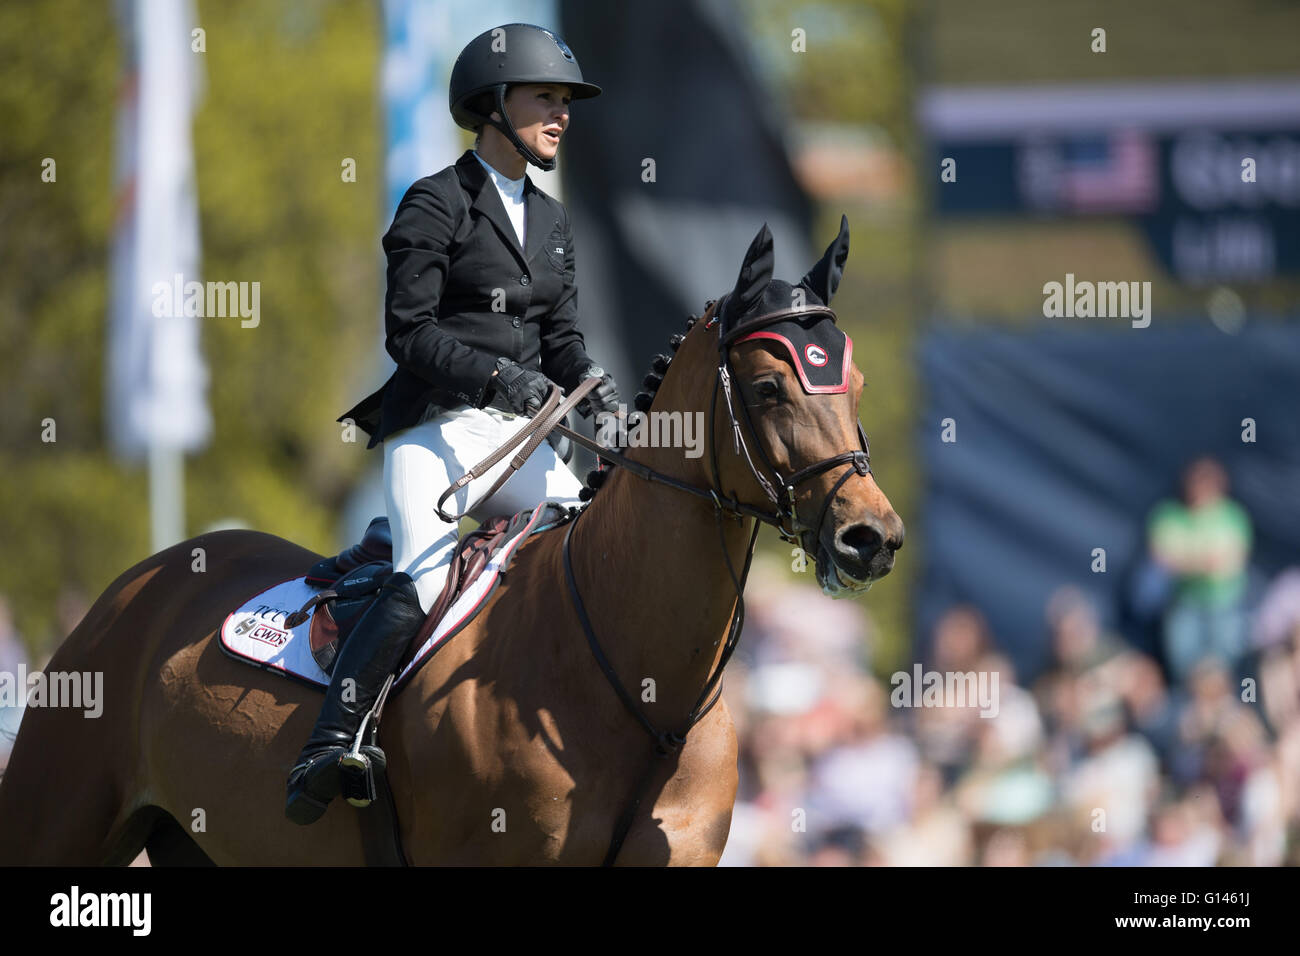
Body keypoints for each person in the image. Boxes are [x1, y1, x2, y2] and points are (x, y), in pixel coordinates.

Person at [286, 23, 621, 825]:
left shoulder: (554, 222)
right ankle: (331, 743)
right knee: (427, 577)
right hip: (438, 428)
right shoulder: (436, 200)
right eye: (546, 97)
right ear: (494, 105)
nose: (561, 113)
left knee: (588, 559)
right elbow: (409, 332)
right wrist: (500, 376)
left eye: (565, 100)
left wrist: (607, 413)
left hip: (524, 439)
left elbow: (565, 345)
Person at [1146, 457, 1252, 685]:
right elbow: (1163, 560)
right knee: (1184, 668)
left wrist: (1188, 560)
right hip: (1184, 603)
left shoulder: (1233, 516)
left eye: (1207, 483)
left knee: (1222, 668)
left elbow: (1229, 566)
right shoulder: (1168, 515)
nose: (1200, 490)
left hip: (1225, 605)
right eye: (1196, 482)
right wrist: (1204, 562)